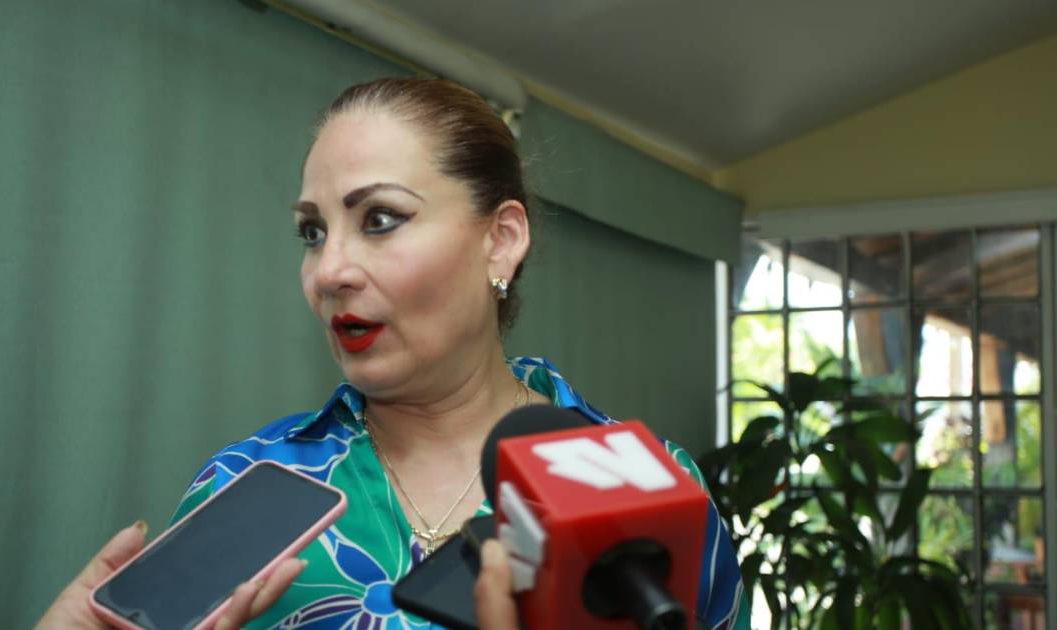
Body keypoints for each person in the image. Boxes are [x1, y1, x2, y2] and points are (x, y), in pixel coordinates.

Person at [38, 77, 749, 629]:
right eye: (313, 232)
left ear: (500, 240)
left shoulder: (652, 485)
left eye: (379, 219)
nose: (328, 271)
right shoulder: (243, 485)